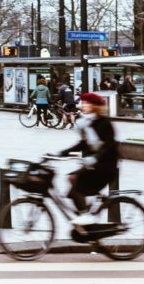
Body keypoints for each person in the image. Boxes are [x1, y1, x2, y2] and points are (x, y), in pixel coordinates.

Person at [57, 91, 120, 226]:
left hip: (105, 166)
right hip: (95, 165)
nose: (82, 105)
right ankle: (86, 216)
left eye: (86, 103)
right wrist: (61, 153)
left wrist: (95, 158)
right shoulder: (88, 123)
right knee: (72, 182)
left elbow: (108, 146)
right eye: (83, 103)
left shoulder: (104, 123)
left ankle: (86, 216)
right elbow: (83, 143)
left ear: (95, 106)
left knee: (76, 183)